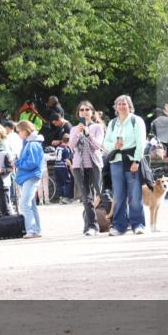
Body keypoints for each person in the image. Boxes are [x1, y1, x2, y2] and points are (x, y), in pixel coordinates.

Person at [102, 95, 147, 236]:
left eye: (124, 104)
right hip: (116, 160)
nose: (122, 106)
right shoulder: (113, 123)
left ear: (129, 106)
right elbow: (105, 142)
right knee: (119, 194)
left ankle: (138, 224)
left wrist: (137, 161)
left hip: (131, 159)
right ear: (115, 107)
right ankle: (119, 225)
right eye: (119, 104)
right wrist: (113, 145)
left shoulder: (136, 120)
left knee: (134, 194)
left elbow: (141, 142)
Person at [69, 100, 105, 236]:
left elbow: (98, 146)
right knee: (86, 196)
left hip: (94, 164)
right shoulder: (74, 129)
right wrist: (78, 133)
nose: (84, 112)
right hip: (79, 165)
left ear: (92, 112)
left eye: (87, 109)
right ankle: (91, 225)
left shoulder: (97, 127)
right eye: (82, 110)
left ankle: (114, 221)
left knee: (101, 193)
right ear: (78, 113)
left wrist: (88, 133)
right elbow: (71, 146)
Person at [14, 120, 44, 238]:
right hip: (29, 176)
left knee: (24, 204)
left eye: (19, 131)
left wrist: (18, 163)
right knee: (31, 204)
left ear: (25, 131)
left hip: (31, 176)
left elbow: (32, 163)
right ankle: (36, 229)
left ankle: (31, 229)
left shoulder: (33, 144)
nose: (18, 134)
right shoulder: (29, 143)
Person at [54, 133, 74, 203]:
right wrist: (71, 167)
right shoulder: (66, 149)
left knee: (60, 183)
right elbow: (67, 160)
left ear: (62, 140)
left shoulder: (57, 148)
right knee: (67, 182)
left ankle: (61, 197)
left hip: (56, 166)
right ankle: (66, 198)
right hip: (63, 167)